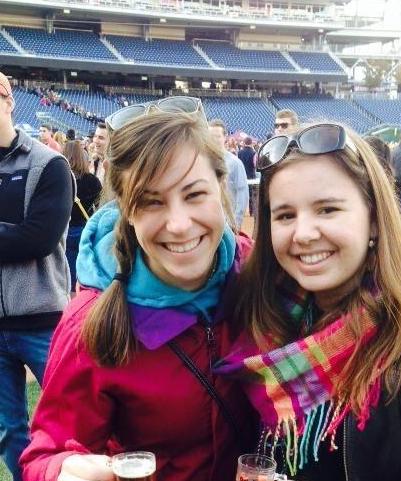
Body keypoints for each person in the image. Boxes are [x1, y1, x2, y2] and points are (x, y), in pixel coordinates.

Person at [216, 122, 401, 480]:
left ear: (373, 219)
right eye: (285, 215)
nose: (303, 233)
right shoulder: (266, 322)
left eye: (327, 209)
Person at [20, 98, 255, 481]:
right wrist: (64, 470)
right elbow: (45, 454)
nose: (179, 224)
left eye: (194, 194)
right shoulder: (91, 323)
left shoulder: (256, 271)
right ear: (127, 212)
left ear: (221, 187)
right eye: (151, 202)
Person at [0, 72, 74, 481]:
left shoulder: (49, 164)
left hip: (43, 319)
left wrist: (20, 236)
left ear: (8, 101)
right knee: (10, 430)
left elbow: (38, 239)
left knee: (74, 417)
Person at [63, 140, 102, 293]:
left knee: (65, 267)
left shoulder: (59, 177)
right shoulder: (93, 181)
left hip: (63, 229)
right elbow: (99, 205)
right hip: (84, 228)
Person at [209, 119, 249, 229]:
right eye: (210, 137)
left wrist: (236, 221)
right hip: (208, 222)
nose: (213, 140)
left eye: (217, 136)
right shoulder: (202, 162)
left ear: (225, 137)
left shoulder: (235, 163)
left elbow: (242, 193)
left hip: (228, 224)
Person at [237, 137, 257, 217]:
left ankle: (241, 211)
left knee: (241, 194)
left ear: (244, 143)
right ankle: (252, 211)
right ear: (251, 143)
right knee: (252, 194)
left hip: (242, 175)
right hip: (251, 175)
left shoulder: (239, 153)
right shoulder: (254, 153)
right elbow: (255, 165)